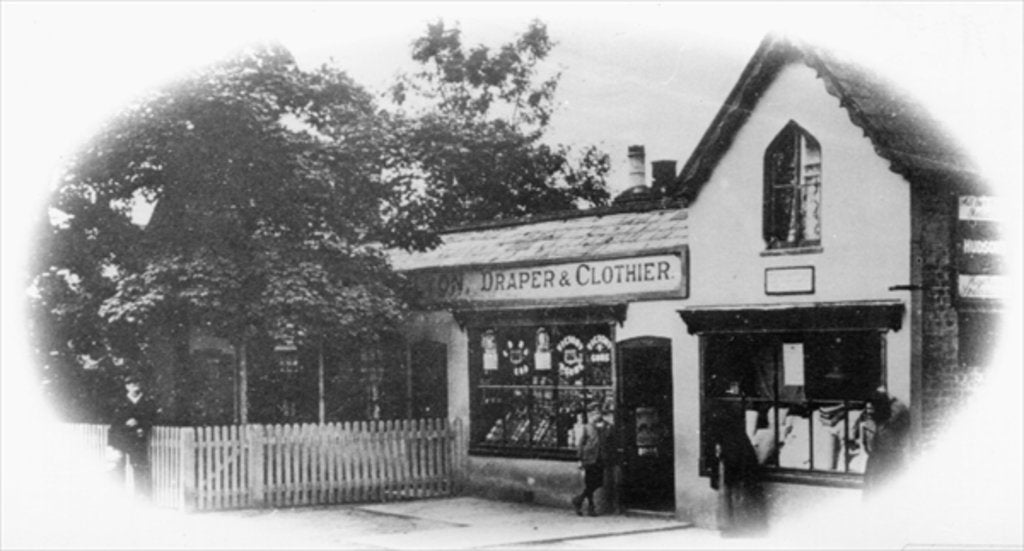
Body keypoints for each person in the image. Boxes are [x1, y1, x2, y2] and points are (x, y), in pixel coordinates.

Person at [708, 406, 768, 537]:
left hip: (734, 474)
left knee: (735, 499)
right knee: (735, 499)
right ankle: (736, 527)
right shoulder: (739, 440)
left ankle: (735, 527)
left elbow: (731, 462)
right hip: (736, 473)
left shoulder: (729, 442)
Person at [108, 377, 158, 498]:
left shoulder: (147, 401)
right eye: (131, 384)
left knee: (139, 466)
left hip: (138, 439)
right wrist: (125, 423)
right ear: (126, 386)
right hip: (121, 438)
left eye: (137, 383)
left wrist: (140, 424)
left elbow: (152, 418)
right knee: (118, 467)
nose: (134, 386)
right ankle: (118, 495)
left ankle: (140, 495)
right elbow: (114, 421)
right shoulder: (119, 401)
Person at [862, 386, 910, 497]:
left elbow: (876, 442)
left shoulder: (895, 413)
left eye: (872, 408)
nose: (869, 411)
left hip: (887, 460)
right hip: (879, 460)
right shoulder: (879, 417)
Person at [572, 401, 612, 517]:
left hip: (601, 458)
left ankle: (578, 500)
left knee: (598, 483)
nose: (596, 415)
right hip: (589, 459)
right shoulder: (587, 427)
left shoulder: (608, 426)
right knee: (589, 482)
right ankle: (591, 507)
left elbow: (610, 442)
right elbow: (581, 444)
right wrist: (580, 459)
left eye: (598, 412)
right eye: (593, 413)